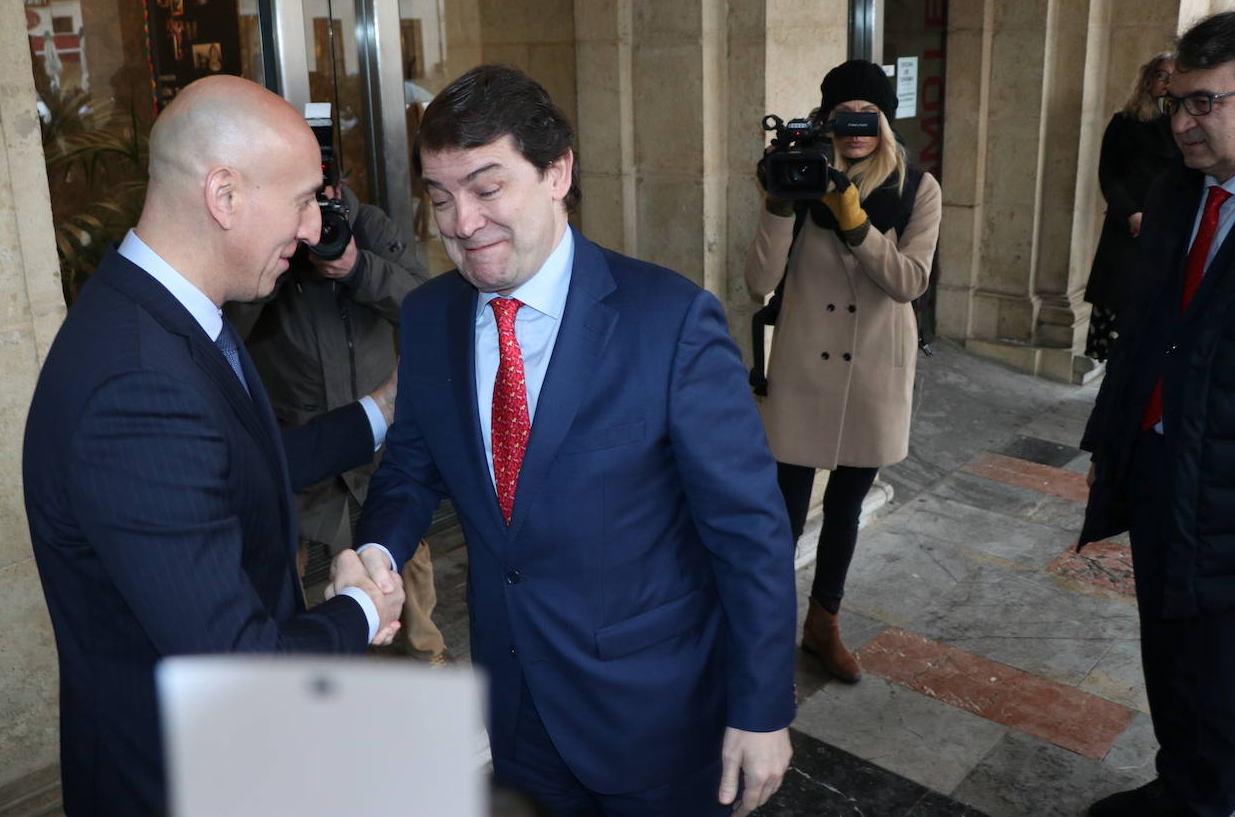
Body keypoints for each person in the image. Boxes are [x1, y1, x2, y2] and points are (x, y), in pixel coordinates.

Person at [352, 64, 797, 817]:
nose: (460, 222)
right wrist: (379, 550)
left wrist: (761, 709)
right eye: (440, 197)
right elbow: (410, 469)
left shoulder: (671, 322)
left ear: (557, 172)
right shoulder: (430, 318)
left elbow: (748, 533)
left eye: (487, 188)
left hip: (654, 720)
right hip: (516, 711)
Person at [22, 75, 405, 816]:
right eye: (302, 200)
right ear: (224, 195)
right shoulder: (137, 386)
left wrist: (379, 412)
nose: (310, 230)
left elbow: (232, 472)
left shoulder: (163, 316)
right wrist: (360, 608)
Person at [1080, 11, 1235, 817]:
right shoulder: (1177, 193)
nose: (1181, 122)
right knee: (1168, 653)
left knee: (1218, 672)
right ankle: (1181, 787)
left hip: (1226, 490)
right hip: (1157, 467)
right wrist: (1115, 445)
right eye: (1177, 102)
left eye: (1205, 103)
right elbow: (1145, 333)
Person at [745, 59, 943, 684]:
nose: (855, 128)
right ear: (827, 121)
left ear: (884, 121)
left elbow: (908, 281)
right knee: (782, 507)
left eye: (868, 115)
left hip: (875, 367)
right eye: (843, 116)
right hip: (806, 362)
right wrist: (781, 202)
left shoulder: (917, 187)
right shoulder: (799, 175)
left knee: (847, 507)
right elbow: (758, 283)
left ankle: (822, 624)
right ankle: (766, 632)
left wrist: (854, 217)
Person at [226, 184, 453, 665]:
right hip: (297, 434)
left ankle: (427, 654)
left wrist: (357, 268)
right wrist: (276, 265)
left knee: (400, 547)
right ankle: (311, 670)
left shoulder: (369, 224)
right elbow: (226, 330)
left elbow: (425, 302)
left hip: (378, 433)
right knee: (288, 560)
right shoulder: (268, 243)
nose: (314, 224)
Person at [1084, 52, 1178, 361]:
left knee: (1149, 328)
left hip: (1165, 231)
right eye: (1162, 75)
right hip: (1126, 230)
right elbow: (1108, 175)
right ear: (1149, 79)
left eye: (1174, 77)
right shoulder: (1124, 123)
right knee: (1115, 318)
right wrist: (1132, 214)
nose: (1167, 83)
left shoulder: (1185, 129)